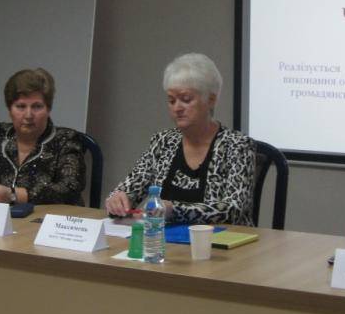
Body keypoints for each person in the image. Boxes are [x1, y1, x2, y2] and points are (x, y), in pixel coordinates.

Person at [106, 53, 255, 225]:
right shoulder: (163, 141)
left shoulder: (237, 145)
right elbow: (130, 188)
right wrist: (118, 200)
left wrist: (174, 210)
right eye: (171, 101)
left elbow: (233, 209)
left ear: (211, 100)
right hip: (163, 238)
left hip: (220, 239)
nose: (177, 108)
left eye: (186, 99)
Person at [0, 68, 85, 205]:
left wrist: (13, 195)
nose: (28, 115)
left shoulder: (67, 139)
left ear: (48, 109)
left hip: (46, 217)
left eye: (37, 107)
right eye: (20, 106)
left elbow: (70, 189)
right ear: (10, 110)